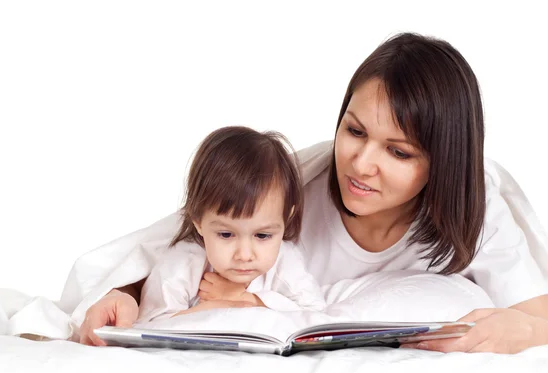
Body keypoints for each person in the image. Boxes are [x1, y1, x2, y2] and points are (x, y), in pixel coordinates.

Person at [77, 32, 548, 353]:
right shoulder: (293, 183)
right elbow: (178, 241)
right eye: (355, 131)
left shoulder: (475, 209)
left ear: (444, 161)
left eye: (399, 153)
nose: (362, 165)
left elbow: (537, 311)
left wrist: (523, 329)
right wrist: (124, 294)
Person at [136, 126, 325, 323]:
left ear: (286, 219)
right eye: (226, 235)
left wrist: (246, 300)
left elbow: (316, 314)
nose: (244, 255)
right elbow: (149, 325)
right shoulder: (182, 265)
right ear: (198, 220)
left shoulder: (285, 261)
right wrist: (216, 307)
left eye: (262, 236)